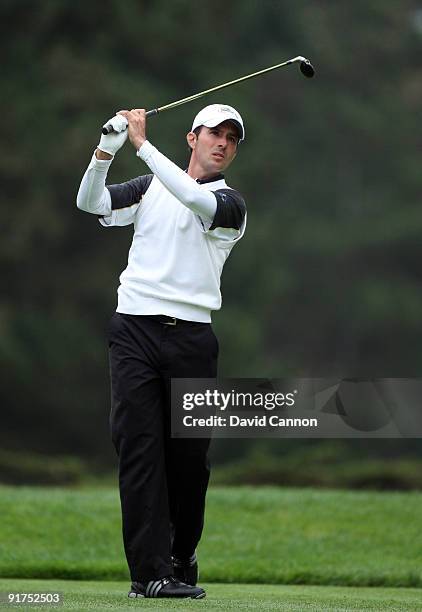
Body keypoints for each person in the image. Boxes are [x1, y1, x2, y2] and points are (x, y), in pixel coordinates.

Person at [76, 103, 247, 599]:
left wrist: (141, 145)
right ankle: (149, 574)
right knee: (138, 450)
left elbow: (193, 198)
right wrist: (105, 152)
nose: (223, 143)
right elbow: (92, 203)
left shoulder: (230, 204)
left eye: (232, 139)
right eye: (214, 133)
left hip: (192, 340)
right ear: (192, 137)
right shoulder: (151, 187)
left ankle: (181, 554)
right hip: (133, 331)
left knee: (189, 462)